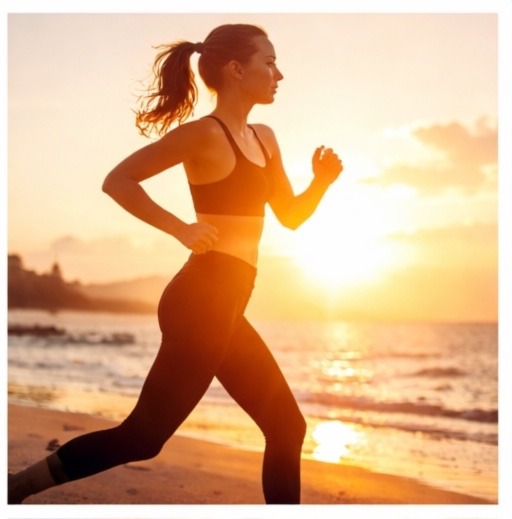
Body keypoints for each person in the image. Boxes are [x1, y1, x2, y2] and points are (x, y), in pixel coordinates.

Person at [8, 23, 342, 505]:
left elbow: (289, 216)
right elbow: (118, 180)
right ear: (235, 69)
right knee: (144, 436)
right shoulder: (203, 136)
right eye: (268, 62)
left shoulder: (265, 138)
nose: (279, 73)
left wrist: (322, 182)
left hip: (229, 304)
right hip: (200, 299)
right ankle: (15, 487)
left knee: (287, 427)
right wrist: (180, 229)